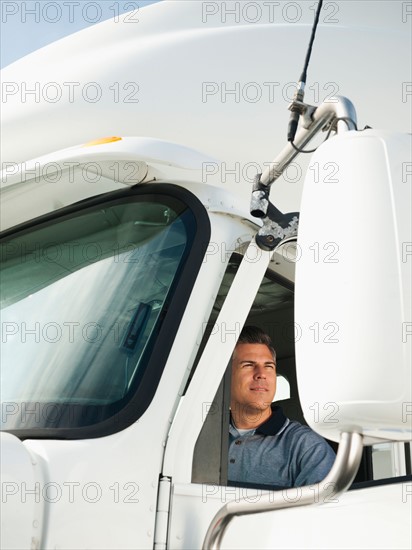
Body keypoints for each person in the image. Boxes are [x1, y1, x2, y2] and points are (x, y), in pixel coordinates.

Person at [229, 326, 335, 489]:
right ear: (227, 376)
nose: (261, 374)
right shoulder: (198, 439)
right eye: (249, 365)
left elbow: (324, 512)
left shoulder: (308, 448)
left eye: (269, 366)